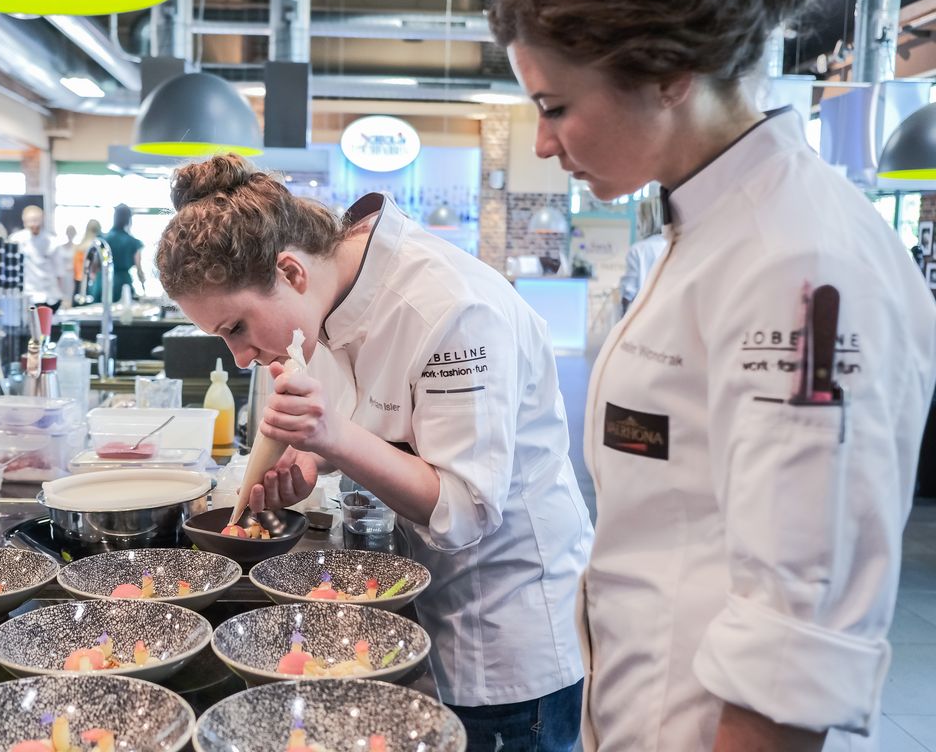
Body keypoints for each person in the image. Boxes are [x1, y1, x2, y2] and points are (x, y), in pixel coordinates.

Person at [489, 0, 936, 751]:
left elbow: (792, 641)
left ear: (670, 74)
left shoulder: (797, 263)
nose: (541, 143)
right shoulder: (708, 227)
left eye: (555, 107)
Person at [157, 154, 594, 752]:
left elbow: (466, 508)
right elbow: (373, 419)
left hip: (505, 629)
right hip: (425, 603)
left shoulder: (451, 310)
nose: (240, 356)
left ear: (290, 271)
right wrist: (311, 460)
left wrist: (334, 436)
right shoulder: (328, 297)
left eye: (236, 328)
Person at [11, 205, 71, 311]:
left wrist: (65, 297)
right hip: (28, 295)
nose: (33, 224)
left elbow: (59, 273)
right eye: (30, 220)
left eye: (36, 220)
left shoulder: (53, 242)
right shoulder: (16, 240)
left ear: (42, 219)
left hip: (50, 295)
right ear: (24, 221)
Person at [618, 196, 667, 314]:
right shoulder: (674, 245)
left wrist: (623, 316)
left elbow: (629, 291)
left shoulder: (638, 250)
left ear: (647, 219)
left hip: (643, 313)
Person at [95, 204, 146, 303]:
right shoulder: (133, 242)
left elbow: (96, 264)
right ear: (129, 219)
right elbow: (139, 270)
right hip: (122, 285)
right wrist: (144, 289)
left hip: (103, 283)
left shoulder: (103, 239)